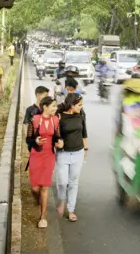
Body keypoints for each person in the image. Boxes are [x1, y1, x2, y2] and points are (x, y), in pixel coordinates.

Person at [28, 97, 62, 229]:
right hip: (36, 156)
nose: (55, 108)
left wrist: (59, 142)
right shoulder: (35, 119)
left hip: (49, 156)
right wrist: (35, 141)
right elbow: (28, 139)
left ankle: (43, 217)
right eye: (53, 106)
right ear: (45, 107)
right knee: (35, 188)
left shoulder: (56, 120)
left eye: (56, 106)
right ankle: (38, 198)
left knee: (45, 187)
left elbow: (57, 136)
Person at [55, 93, 87, 222]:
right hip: (63, 153)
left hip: (78, 152)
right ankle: (61, 202)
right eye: (79, 105)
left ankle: (71, 210)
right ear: (71, 105)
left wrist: (85, 149)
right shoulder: (59, 116)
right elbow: (55, 135)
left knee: (73, 182)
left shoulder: (81, 114)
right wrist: (57, 142)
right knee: (62, 182)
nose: (81, 107)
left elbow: (84, 133)